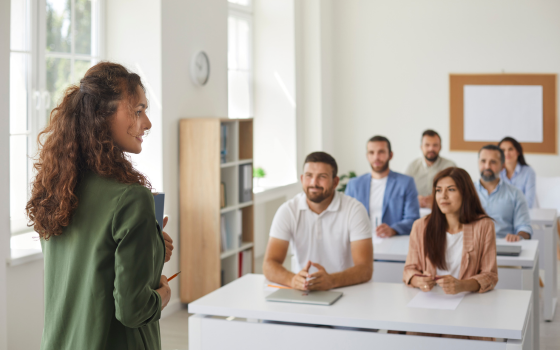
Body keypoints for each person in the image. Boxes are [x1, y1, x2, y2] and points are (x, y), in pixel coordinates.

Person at [26, 62, 174, 350]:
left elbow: (91, 269)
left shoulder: (56, 189)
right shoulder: (132, 198)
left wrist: (153, 250)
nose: (147, 123)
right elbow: (133, 309)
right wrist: (163, 296)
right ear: (103, 115)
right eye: (138, 111)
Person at [263, 152, 373, 291]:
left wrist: (331, 281)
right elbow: (269, 264)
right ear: (302, 179)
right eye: (309, 176)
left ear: (335, 182)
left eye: (322, 177)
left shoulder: (354, 210)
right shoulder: (288, 210)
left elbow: (365, 269)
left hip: (346, 289)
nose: (314, 183)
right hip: (304, 290)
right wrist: (292, 279)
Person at [404, 167, 498, 295]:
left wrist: (462, 285)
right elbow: (409, 270)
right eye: (438, 190)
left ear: (465, 193)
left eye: (451, 190)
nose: (443, 196)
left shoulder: (484, 226)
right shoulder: (420, 226)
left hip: (469, 301)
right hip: (430, 300)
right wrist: (419, 281)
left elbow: (490, 276)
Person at [345, 136, 420, 238]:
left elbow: (413, 219)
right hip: (359, 241)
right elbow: (345, 218)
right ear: (367, 156)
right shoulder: (354, 184)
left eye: (381, 152)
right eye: (371, 152)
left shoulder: (406, 183)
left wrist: (393, 229)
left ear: (390, 155)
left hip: (392, 242)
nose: (376, 157)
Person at [475, 145, 532, 242]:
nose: (487, 166)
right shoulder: (465, 192)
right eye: (483, 161)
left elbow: (524, 227)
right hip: (472, 247)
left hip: (504, 248)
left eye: (493, 162)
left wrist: (518, 237)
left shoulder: (515, 194)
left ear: (503, 166)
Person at [405, 129, 456, 208]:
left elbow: (455, 193)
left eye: (435, 145)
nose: (431, 149)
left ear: (440, 147)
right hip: (416, 211)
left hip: (442, 211)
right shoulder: (412, 167)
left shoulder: (450, 166)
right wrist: (414, 199)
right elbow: (402, 193)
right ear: (421, 147)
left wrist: (437, 200)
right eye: (427, 145)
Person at [498, 136, 537, 208]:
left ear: (518, 151)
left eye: (510, 149)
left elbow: (529, 202)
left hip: (522, 214)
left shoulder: (528, 172)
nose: (507, 153)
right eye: (503, 150)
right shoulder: (497, 173)